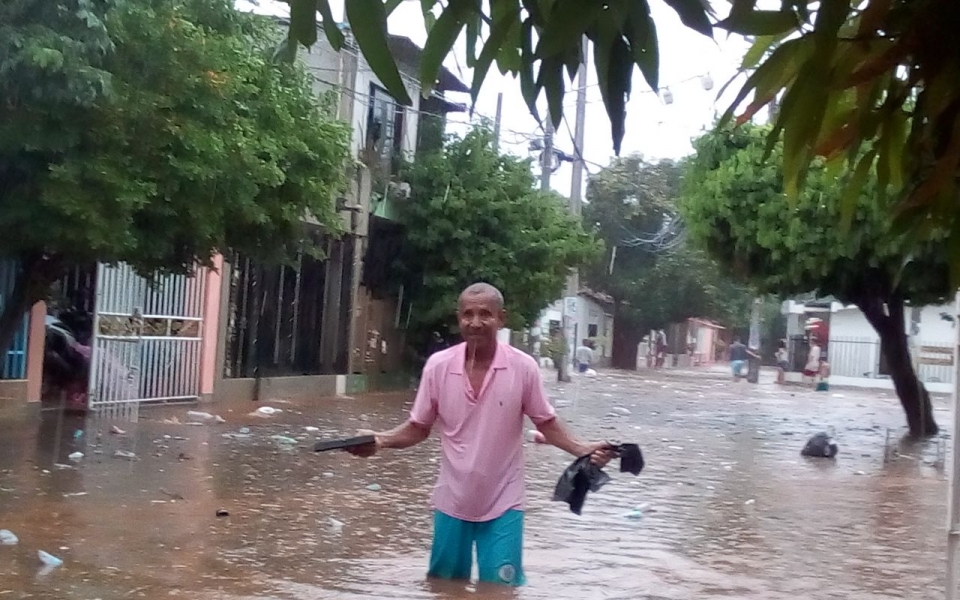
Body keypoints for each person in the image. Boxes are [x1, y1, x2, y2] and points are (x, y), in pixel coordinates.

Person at [346, 283, 615, 586]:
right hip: (452, 502)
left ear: (501, 319)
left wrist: (582, 448)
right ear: (458, 319)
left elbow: (546, 423)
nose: (475, 323)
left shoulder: (523, 367)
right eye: (468, 315)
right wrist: (379, 440)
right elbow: (418, 428)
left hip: (504, 504)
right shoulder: (438, 366)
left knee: (501, 590)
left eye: (485, 314)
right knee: (444, 589)